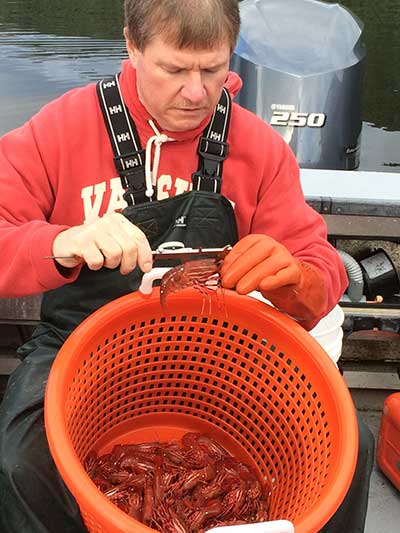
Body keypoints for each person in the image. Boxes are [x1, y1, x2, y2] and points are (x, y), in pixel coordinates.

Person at [0, 1, 373, 532]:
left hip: (219, 350)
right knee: (20, 463)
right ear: (132, 45)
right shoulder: (59, 130)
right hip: (81, 344)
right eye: (174, 69)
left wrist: (293, 275)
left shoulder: (260, 149)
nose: (196, 92)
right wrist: (60, 241)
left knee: (353, 446)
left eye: (213, 69)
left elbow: (320, 281)